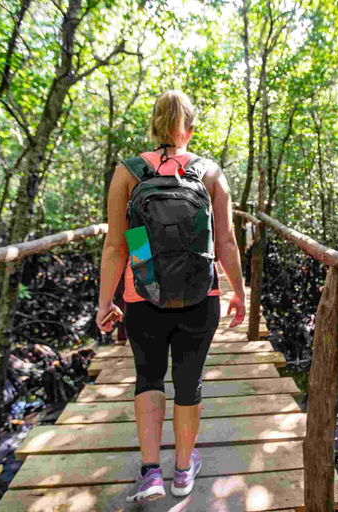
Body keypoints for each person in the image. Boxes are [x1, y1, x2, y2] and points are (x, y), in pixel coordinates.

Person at [95, 90, 246, 502]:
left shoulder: (128, 173)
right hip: (201, 295)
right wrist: (239, 293)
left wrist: (106, 300)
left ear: (153, 126)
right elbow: (227, 241)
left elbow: (116, 246)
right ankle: (182, 471)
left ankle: (150, 475)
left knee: (148, 377)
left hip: (142, 294)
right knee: (188, 381)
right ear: (190, 129)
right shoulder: (210, 173)